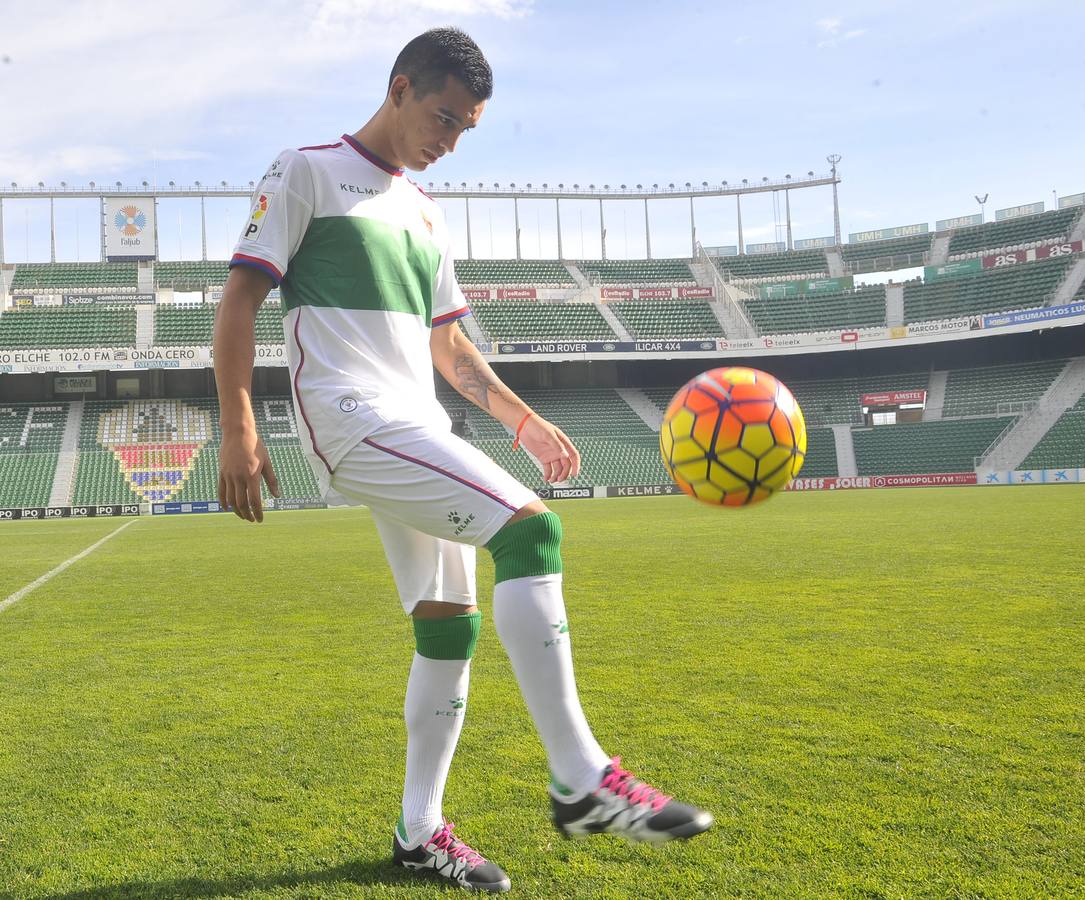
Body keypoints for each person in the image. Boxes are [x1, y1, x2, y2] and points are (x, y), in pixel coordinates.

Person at [214, 27, 712, 893]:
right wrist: (237, 424)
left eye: (465, 130)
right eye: (442, 118)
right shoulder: (305, 170)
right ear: (400, 88)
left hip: (419, 423)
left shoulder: (424, 213)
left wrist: (520, 419)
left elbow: (451, 349)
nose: (447, 142)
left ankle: (418, 831)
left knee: (449, 629)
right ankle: (581, 777)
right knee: (532, 532)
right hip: (349, 418)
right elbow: (239, 300)